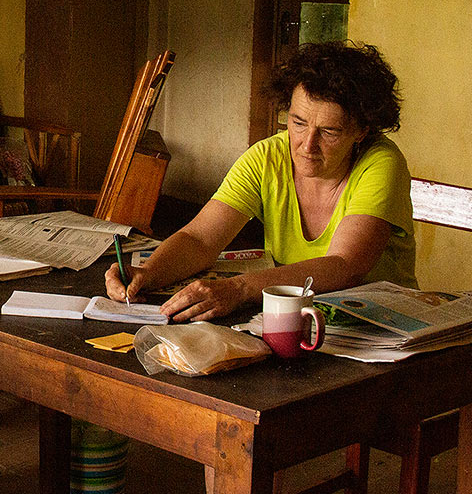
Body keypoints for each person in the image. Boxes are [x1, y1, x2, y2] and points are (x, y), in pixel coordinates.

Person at [106, 40, 416, 321]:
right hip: (299, 317)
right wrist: (149, 273)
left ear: (362, 131)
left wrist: (239, 288)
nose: (307, 145)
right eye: (298, 122)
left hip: (377, 326)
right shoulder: (267, 156)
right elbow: (200, 239)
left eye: (329, 132)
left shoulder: (381, 163)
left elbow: (345, 267)